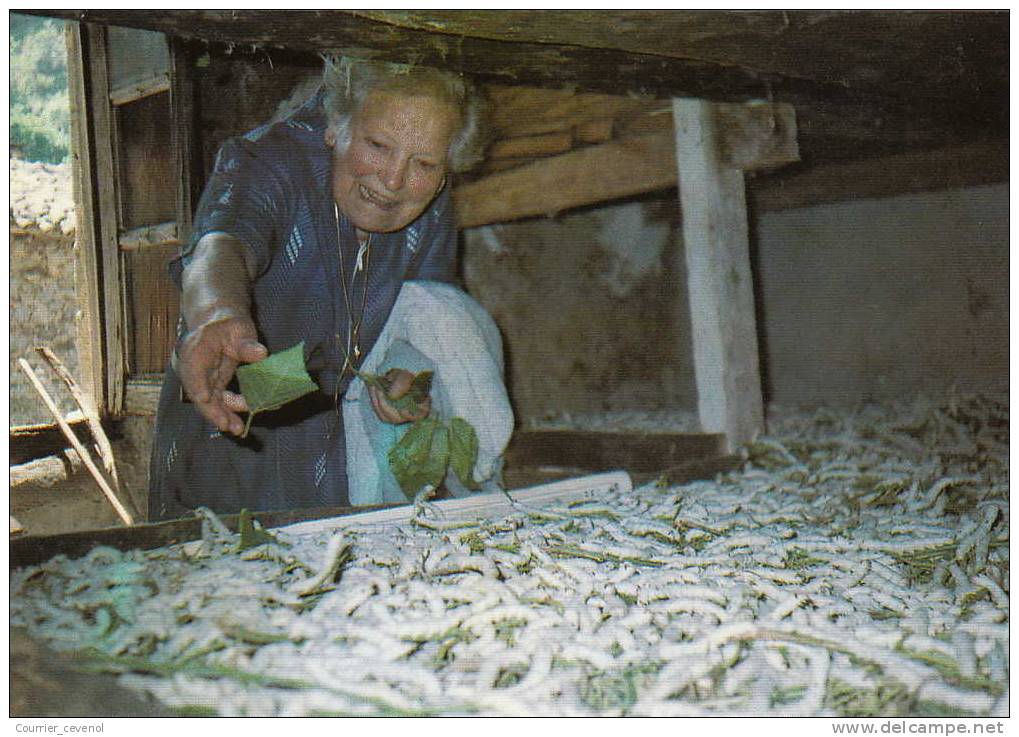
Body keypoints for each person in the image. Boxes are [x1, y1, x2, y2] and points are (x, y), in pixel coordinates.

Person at [148, 57, 498, 520]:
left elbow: (428, 312)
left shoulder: (432, 208)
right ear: (336, 125)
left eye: (424, 162)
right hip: (230, 424)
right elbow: (221, 245)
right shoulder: (268, 163)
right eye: (377, 145)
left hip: (331, 448)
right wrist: (217, 313)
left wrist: (406, 372)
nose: (393, 180)